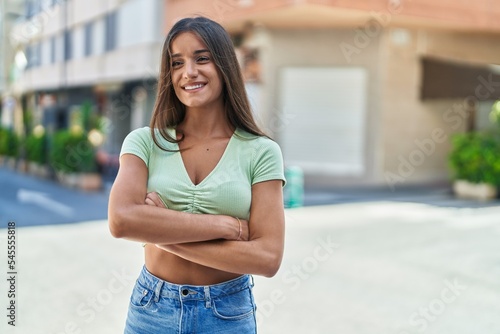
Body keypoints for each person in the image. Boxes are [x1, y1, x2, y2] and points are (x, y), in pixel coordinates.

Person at [108, 16, 286, 334]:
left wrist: (160, 232)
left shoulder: (261, 151)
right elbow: (121, 221)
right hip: (152, 310)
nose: (189, 72)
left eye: (201, 58)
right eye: (177, 63)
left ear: (224, 65)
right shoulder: (144, 142)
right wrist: (222, 226)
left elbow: (267, 258)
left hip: (227, 313)